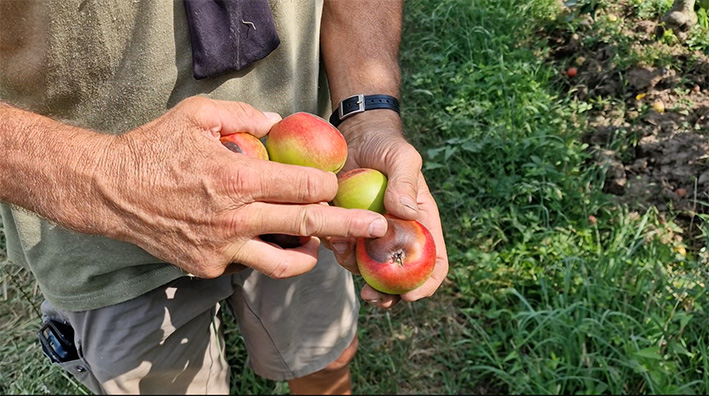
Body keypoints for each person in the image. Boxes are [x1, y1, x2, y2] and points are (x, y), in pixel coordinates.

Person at [0, 0, 449, 394]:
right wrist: (109, 179)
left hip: (306, 200)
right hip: (106, 234)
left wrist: (366, 112)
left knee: (324, 354)